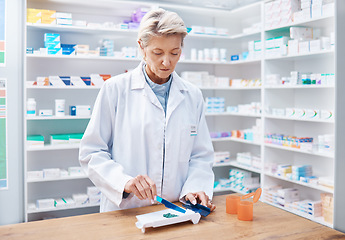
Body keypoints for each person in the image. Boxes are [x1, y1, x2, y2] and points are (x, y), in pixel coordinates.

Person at [79, 8, 216, 213]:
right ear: (141, 48)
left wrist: (194, 189)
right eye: (158, 53)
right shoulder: (115, 90)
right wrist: (123, 182)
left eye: (175, 53)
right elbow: (92, 152)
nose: (167, 62)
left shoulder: (192, 95)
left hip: (176, 210)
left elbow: (200, 156)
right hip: (128, 210)